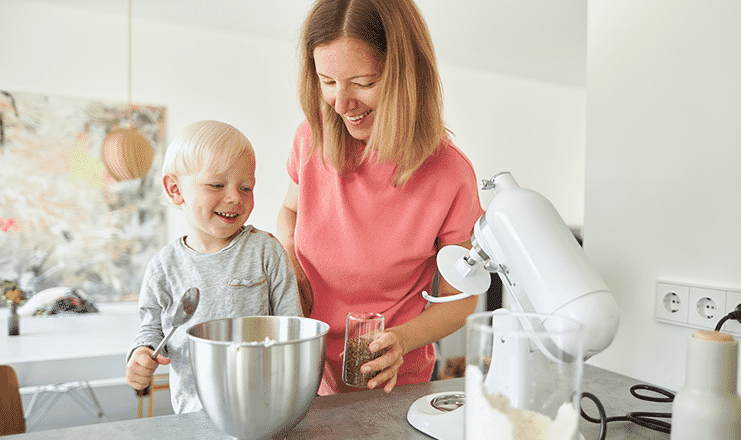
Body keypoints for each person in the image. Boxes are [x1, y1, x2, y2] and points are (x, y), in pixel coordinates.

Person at [277, 0, 483, 395]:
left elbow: (460, 302)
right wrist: (290, 255)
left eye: (364, 83)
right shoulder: (311, 138)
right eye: (327, 81)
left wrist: (402, 341)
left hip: (392, 383)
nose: (341, 103)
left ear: (407, 76)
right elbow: (289, 211)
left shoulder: (450, 175)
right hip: (306, 371)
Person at [126, 120, 302, 414]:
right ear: (175, 189)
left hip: (265, 408)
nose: (234, 197)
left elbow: (292, 328)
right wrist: (142, 354)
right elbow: (151, 328)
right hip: (195, 414)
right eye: (217, 185)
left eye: (246, 187)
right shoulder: (163, 267)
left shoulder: (266, 251)